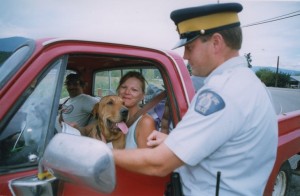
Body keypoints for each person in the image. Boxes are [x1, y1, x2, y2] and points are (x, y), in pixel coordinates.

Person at [113, 2, 278, 195]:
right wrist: (173, 140)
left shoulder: (221, 92)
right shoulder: (252, 84)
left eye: (190, 47)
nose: (185, 56)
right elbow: (226, 147)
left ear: (216, 43)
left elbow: (159, 164)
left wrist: (103, 154)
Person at [117, 71, 156, 148]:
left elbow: (146, 159)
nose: (127, 92)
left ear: (142, 96)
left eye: (134, 90)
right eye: (124, 87)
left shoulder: (145, 122)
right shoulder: (112, 117)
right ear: (118, 90)